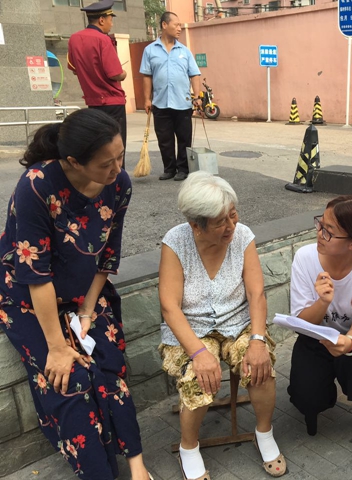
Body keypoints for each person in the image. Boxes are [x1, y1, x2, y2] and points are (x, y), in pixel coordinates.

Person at [0, 109, 153, 480]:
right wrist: (56, 347)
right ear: (73, 161)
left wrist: (86, 309)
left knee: (109, 365)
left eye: (121, 156)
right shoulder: (37, 185)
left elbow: (108, 255)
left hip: (84, 289)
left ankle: (136, 464)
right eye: (106, 163)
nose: (117, 168)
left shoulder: (120, 184)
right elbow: (35, 273)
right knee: (69, 381)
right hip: (27, 296)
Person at [158, 171, 286, 479]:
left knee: (260, 366)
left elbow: (256, 293)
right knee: (197, 377)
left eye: (232, 214)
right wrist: (199, 353)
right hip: (191, 330)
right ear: (196, 226)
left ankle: (264, 433)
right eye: (220, 221)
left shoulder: (242, 236)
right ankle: (189, 447)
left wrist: (257, 340)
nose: (231, 226)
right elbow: (170, 307)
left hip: (238, 323)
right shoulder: (176, 242)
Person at [288, 195, 352, 453]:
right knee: (306, 397)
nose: (319, 234)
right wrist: (322, 302)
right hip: (315, 335)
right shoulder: (305, 258)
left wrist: (348, 343)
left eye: (329, 231)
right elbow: (301, 322)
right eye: (320, 224)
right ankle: (317, 400)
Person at [140, 11, 201, 182]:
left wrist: (197, 96)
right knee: (164, 139)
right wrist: (147, 99)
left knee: (184, 139)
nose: (179, 28)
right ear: (164, 25)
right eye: (176, 25)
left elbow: (194, 74)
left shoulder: (184, 51)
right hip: (160, 103)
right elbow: (147, 76)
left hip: (183, 103)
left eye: (180, 25)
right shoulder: (150, 50)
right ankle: (169, 168)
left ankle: (183, 169)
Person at [67, 0, 128, 168]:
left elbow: (74, 69)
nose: (111, 23)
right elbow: (115, 73)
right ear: (102, 20)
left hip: (93, 103)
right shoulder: (103, 40)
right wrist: (124, 73)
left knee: (98, 147)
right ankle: (118, 180)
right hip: (112, 102)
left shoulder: (74, 39)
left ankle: (100, 178)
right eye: (110, 19)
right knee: (116, 147)